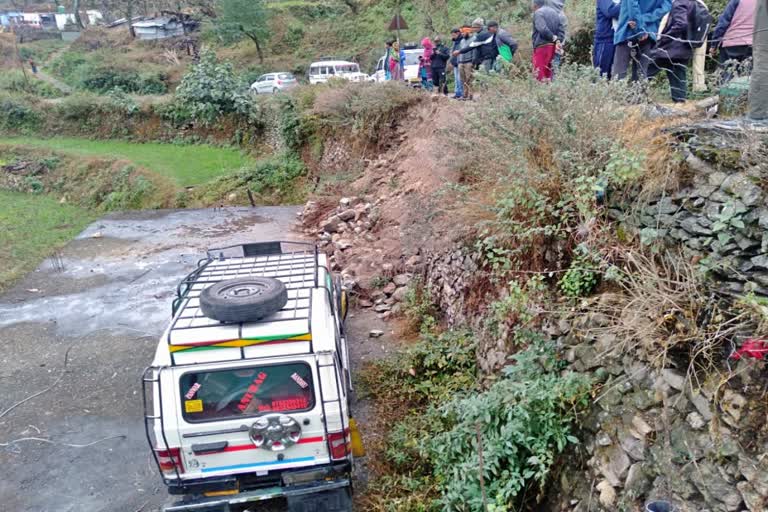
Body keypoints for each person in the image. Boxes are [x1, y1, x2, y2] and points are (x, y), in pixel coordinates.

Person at [645, 0, 695, 101]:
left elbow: (681, 24)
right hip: (685, 48)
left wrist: (665, 37)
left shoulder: (679, 3)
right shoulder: (693, 3)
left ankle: (633, 98)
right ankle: (680, 107)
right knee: (678, 79)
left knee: (645, 71)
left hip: (670, 48)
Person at [612, 0, 671, 80]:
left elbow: (632, 5)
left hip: (627, 30)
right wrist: (647, 18)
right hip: (648, 31)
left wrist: (640, 27)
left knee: (618, 77)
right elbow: (666, 7)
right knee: (640, 79)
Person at [710, 0, 756, 82]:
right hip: (754, 44)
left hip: (731, 43)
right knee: (748, 79)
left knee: (726, 76)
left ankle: (726, 94)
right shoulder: (763, 3)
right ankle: (744, 94)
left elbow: (723, 23)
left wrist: (714, 44)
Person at [532, 0, 565, 81]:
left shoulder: (538, 13)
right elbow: (561, 32)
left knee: (539, 75)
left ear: (535, 4)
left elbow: (542, 28)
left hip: (542, 47)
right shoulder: (556, 13)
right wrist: (557, 40)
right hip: (553, 48)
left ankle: (541, 93)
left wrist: (552, 37)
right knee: (550, 75)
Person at [593, 0, 621, 77]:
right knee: (601, 74)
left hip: (619, 39)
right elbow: (610, 11)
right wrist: (627, 4)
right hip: (605, 39)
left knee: (615, 75)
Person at [450, 28, 464, 98]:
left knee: (459, 78)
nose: (452, 36)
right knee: (456, 79)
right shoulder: (454, 41)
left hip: (460, 61)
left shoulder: (462, 40)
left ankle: (461, 93)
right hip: (455, 62)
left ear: (458, 33)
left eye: (453, 35)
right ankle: (457, 93)